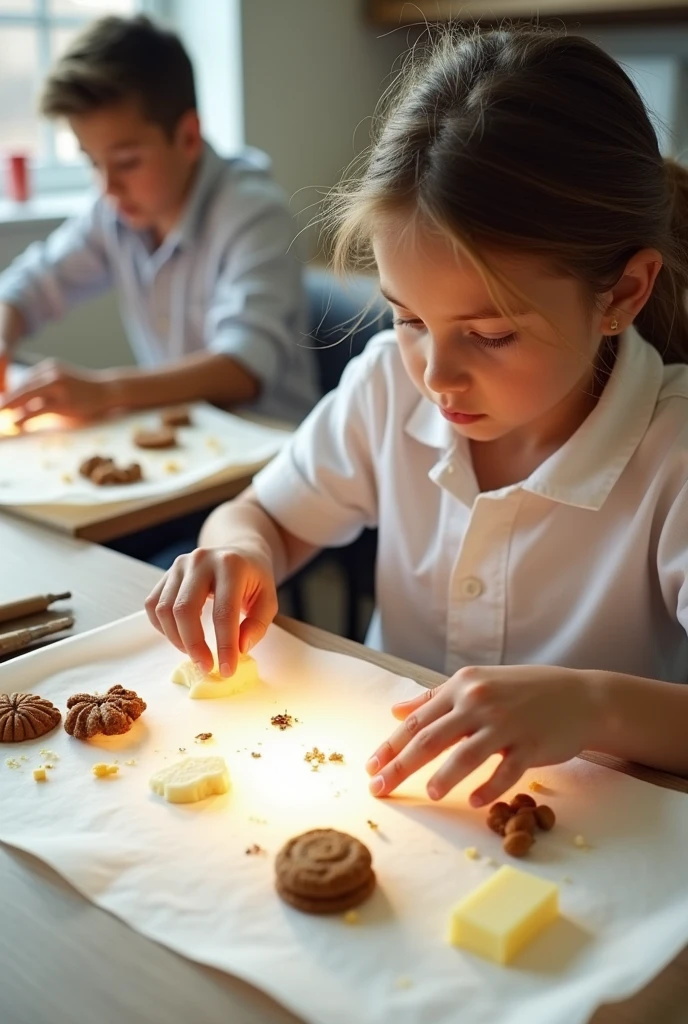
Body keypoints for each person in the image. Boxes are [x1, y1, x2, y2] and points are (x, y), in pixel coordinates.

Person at [145, 27, 688, 807]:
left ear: (624, 294)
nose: (437, 375)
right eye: (405, 319)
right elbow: (263, 514)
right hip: (381, 798)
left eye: (491, 334)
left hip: (594, 846)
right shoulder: (387, 391)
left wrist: (591, 705)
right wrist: (238, 553)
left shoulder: (672, 454)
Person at [0, 15, 317, 426]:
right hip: (189, 441)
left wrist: (106, 390)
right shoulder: (115, 210)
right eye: (92, 162)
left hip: (273, 449)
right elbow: (28, 287)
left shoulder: (255, 214)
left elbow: (244, 366)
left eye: (127, 162)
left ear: (187, 137)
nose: (108, 185)